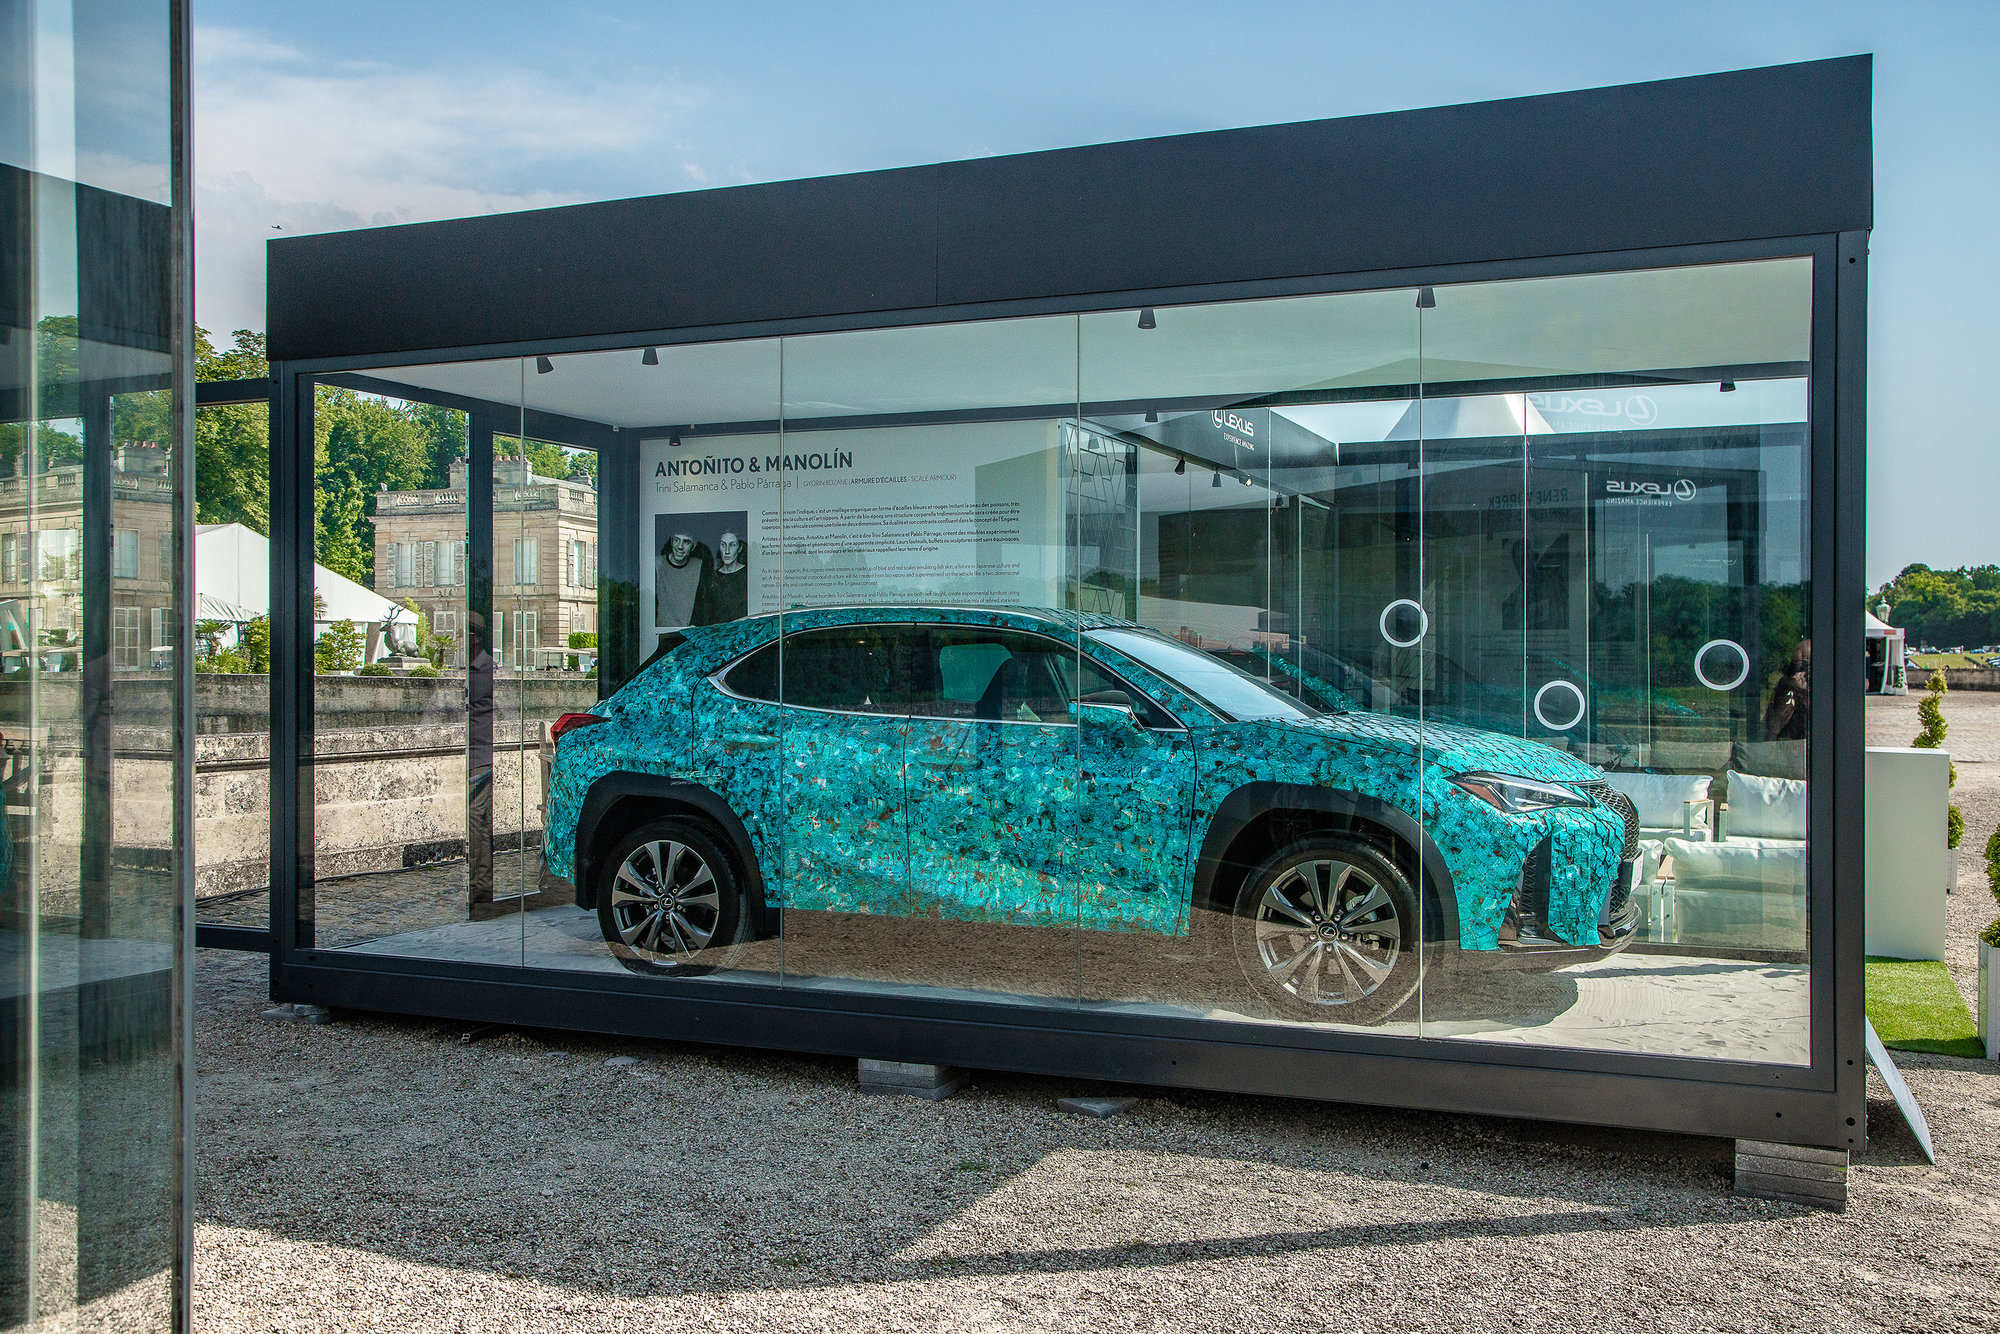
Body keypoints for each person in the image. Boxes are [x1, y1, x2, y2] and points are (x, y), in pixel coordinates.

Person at [694, 530, 748, 624]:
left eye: (732, 545)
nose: (727, 551)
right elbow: (702, 615)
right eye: (723, 545)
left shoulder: (748, 575)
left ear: (740, 548)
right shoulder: (710, 578)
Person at [1763, 639, 1811, 742]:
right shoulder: (1788, 684)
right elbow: (1774, 724)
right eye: (1797, 666)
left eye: (1806, 666)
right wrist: (1793, 688)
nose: (1803, 673)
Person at [654, 532, 704, 628]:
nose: (680, 547)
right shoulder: (657, 564)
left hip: (689, 632)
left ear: (693, 546)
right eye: (676, 540)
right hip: (661, 633)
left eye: (686, 542)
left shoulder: (699, 566)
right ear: (671, 541)